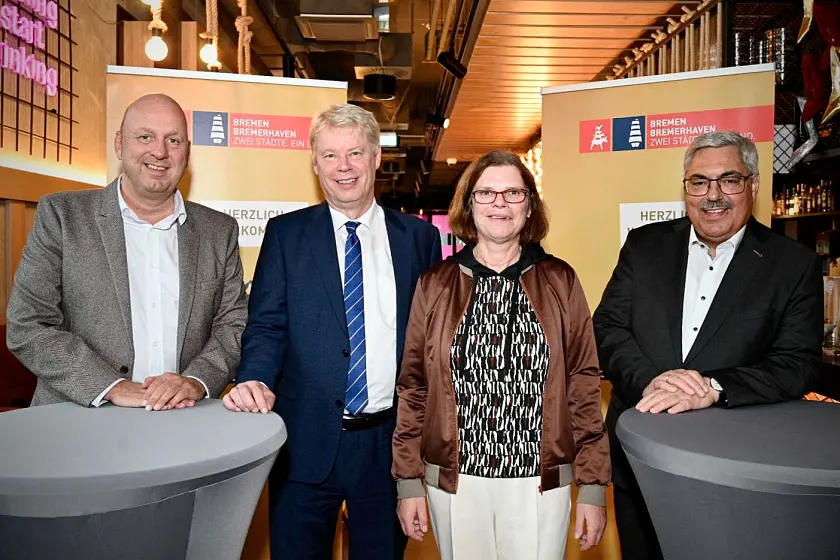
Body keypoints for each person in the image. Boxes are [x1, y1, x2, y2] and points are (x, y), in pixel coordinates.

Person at [223, 103, 442, 559]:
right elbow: (266, 324)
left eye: (355, 153)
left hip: (389, 445)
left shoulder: (418, 239)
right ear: (315, 162)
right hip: (304, 441)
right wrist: (255, 377)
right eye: (329, 155)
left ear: (376, 158)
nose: (343, 167)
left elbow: (429, 341)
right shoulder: (286, 235)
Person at [593, 131, 823, 560]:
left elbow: (797, 364)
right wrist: (652, 381)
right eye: (699, 182)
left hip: (735, 468)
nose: (712, 195)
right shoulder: (645, 245)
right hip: (638, 459)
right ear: (685, 188)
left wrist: (712, 388)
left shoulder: (792, 264)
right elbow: (606, 326)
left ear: (753, 185)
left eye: (729, 180)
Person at [393, 150, 610, 559]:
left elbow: (583, 382)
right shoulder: (434, 284)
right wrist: (408, 481)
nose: (499, 203)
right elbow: (413, 388)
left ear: (529, 206)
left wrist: (594, 486)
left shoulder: (560, 280)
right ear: (468, 205)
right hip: (455, 483)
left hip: (541, 481)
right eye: (487, 193)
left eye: (513, 193)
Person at [6, 93, 248, 410]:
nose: (159, 152)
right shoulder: (63, 216)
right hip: (78, 419)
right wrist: (111, 387)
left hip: (185, 419)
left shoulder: (219, 230)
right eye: (145, 136)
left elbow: (233, 324)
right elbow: (28, 324)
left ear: (187, 152)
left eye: (173, 140)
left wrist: (195, 381)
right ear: (120, 144)